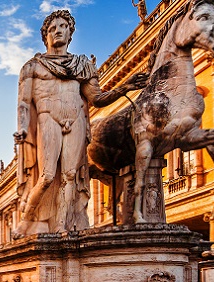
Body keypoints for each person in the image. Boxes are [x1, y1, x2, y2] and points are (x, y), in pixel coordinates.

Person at [14, 10, 146, 235]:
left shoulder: (82, 65)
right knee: (46, 176)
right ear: (45, 35)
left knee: (70, 176)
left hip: (75, 120)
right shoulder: (32, 67)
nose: (58, 31)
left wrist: (125, 87)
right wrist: (22, 128)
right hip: (48, 119)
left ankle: (62, 227)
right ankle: (27, 219)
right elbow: (24, 103)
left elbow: (97, 99)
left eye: (63, 27)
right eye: (53, 28)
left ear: (70, 34)